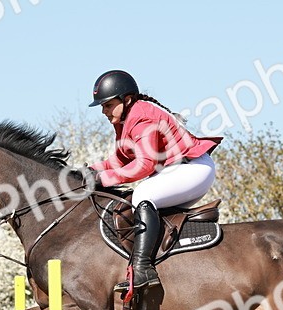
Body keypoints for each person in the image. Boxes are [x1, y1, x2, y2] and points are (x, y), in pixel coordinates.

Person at [86, 70, 222, 293]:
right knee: (137, 199)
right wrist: (90, 171)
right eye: (102, 106)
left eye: (107, 104)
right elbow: (120, 159)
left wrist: (102, 178)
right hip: (177, 170)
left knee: (142, 196)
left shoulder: (141, 116)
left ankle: (143, 269)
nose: (104, 111)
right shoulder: (124, 120)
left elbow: (144, 165)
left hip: (192, 168)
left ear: (126, 99)